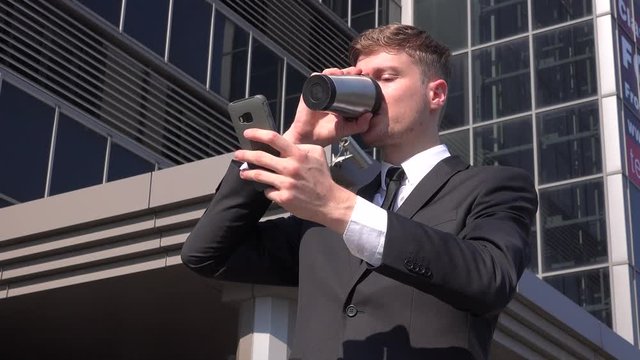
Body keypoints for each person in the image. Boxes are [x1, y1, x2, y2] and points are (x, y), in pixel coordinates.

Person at [181, 23, 538, 360]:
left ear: (436, 93)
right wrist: (295, 138)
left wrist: (340, 207)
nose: (371, 95)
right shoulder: (328, 206)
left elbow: (491, 279)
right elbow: (207, 254)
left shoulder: (493, 186)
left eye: (386, 78)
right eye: (363, 81)